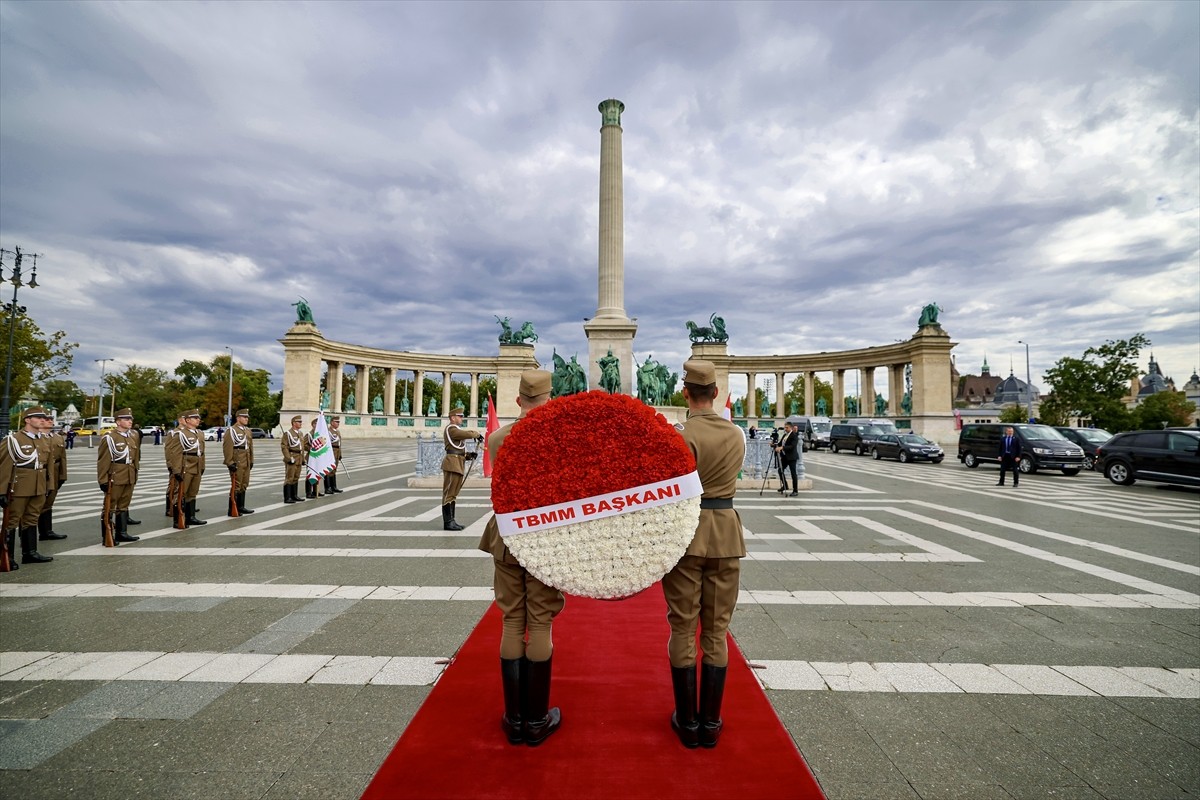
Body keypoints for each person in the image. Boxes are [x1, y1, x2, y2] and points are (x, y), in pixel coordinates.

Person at [477, 369, 564, 746]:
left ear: (518, 401)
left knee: (513, 619)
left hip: (507, 537)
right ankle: (538, 718)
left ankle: (515, 718)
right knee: (540, 621)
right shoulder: (560, 438)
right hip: (544, 535)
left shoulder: (497, 438)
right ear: (549, 399)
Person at [663, 359, 746, 749]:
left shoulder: (678, 437)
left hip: (688, 534)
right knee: (716, 629)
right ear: (715, 392)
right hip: (726, 534)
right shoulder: (738, 435)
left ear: (685, 394)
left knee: (683, 627)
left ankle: (687, 719)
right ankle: (711, 723)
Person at [0, 406, 56, 566]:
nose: (42, 420)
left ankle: (30, 552)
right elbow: (4, 466)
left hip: (39, 485)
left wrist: (49, 485)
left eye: (43, 417)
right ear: (27, 420)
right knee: (12, 521)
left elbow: (48, 466)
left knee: (32, 518)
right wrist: (2, 490)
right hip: (19, 486)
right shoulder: (14, 440)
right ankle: (7, 556)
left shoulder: (44, 439)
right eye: (38, 417)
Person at [97, 408, 140, 545]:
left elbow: (136, 457)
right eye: (126, 419)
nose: (130, 421)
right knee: (110, 506)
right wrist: (103, 479)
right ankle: (107, 536)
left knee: (124, 505)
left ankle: (122, 533)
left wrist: (135, 472)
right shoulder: (110, 437)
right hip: (115, 475)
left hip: (129, 473)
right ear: (118, 422)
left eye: (131, 419)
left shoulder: (133, 436)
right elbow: (103, 460)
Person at [441, 404, 482, 531]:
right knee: (449, 494)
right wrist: (476, 434)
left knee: (453, 494)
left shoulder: (455, 429)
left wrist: (469, 455)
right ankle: (448, 522)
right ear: (452, 418)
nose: (461, 419)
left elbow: (457, 450)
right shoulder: (452, 429)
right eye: (459, 416)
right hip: (452, 464)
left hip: (457, 463)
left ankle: (452, 520)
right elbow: (466, 434)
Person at [165, 409, 206, 528]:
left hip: (197, 465)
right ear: (187, 420)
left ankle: (191, 517)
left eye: (198, 418)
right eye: (195, 418)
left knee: (192, 492)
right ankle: (178, 520)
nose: (198, 420)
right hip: (186, 466)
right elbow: (176, 453)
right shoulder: (180, 434)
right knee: (181, 493)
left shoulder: (200, 433)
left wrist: (202, 465)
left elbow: (201, 452)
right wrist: (176, 470)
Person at [37, 417, 69, 541]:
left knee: (48, 502)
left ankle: (46, 531)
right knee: (33, 506)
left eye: (51, 419)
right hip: (39, 472)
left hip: (54, 472)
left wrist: (62, 476)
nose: (50, 421)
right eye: (46, 419)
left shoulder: (57, 438)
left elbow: (62, 459)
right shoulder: (35, 437)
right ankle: (26, 536)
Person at [222, 409, 255, 516]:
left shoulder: (247, 430)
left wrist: (251, 460)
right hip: (237, 461)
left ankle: (241, 506)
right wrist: (229, 462)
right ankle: (232, 508)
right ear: (238, 418)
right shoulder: (231, 431)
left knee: (244, 484)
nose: (246, 419)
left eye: (247, 417)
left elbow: (250, 448)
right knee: (237, 485)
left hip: (246, 460)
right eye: (244, 417)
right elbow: (227, 447)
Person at [280, 415, 307, 504]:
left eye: (301, 422)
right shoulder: (288, 433)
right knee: (289, 477)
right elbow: (284, 447)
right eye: (299, 422)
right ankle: (287, 497)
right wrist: (288, 458)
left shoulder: (300, 433)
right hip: (292, 456)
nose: (300, 423)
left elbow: (302, 448)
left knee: (296, 477)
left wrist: (303, 459)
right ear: (294, 423)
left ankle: (294, 495)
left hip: (299, 457)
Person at [775, 421, 799, 496]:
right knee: (780, 470)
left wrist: (782, 448)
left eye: (787, 427)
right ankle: (785, 485)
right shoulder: (785, 435)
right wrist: (774, 445)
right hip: (785, 457)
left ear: (791, 428)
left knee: (793, 473)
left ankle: (795, 490)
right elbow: (780, 443)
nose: (785, 429)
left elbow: (792, 446)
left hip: (791, 457)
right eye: (785, 427)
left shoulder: (794, 435)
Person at [324, 416, 344, 494]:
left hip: (336, 452)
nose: (338, 423)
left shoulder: (337, 431)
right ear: (332, 422)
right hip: (330, 451)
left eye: (338, 422)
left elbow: (339, 444)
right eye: (336, 422)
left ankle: (333, 486)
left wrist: (340, 454)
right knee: (329, 470)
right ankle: (328, 487)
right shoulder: (327, 431)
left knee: (334, 470)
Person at [304, 418, 323, 498]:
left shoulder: (320, 435)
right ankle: (308, 492)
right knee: (310, 474)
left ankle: (316, 491)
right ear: (313, 425)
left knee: (317, 473)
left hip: (318, 457)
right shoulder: (309, 435)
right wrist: (312, 449)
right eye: (316, 424)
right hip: (311, 457)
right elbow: (304, 445)